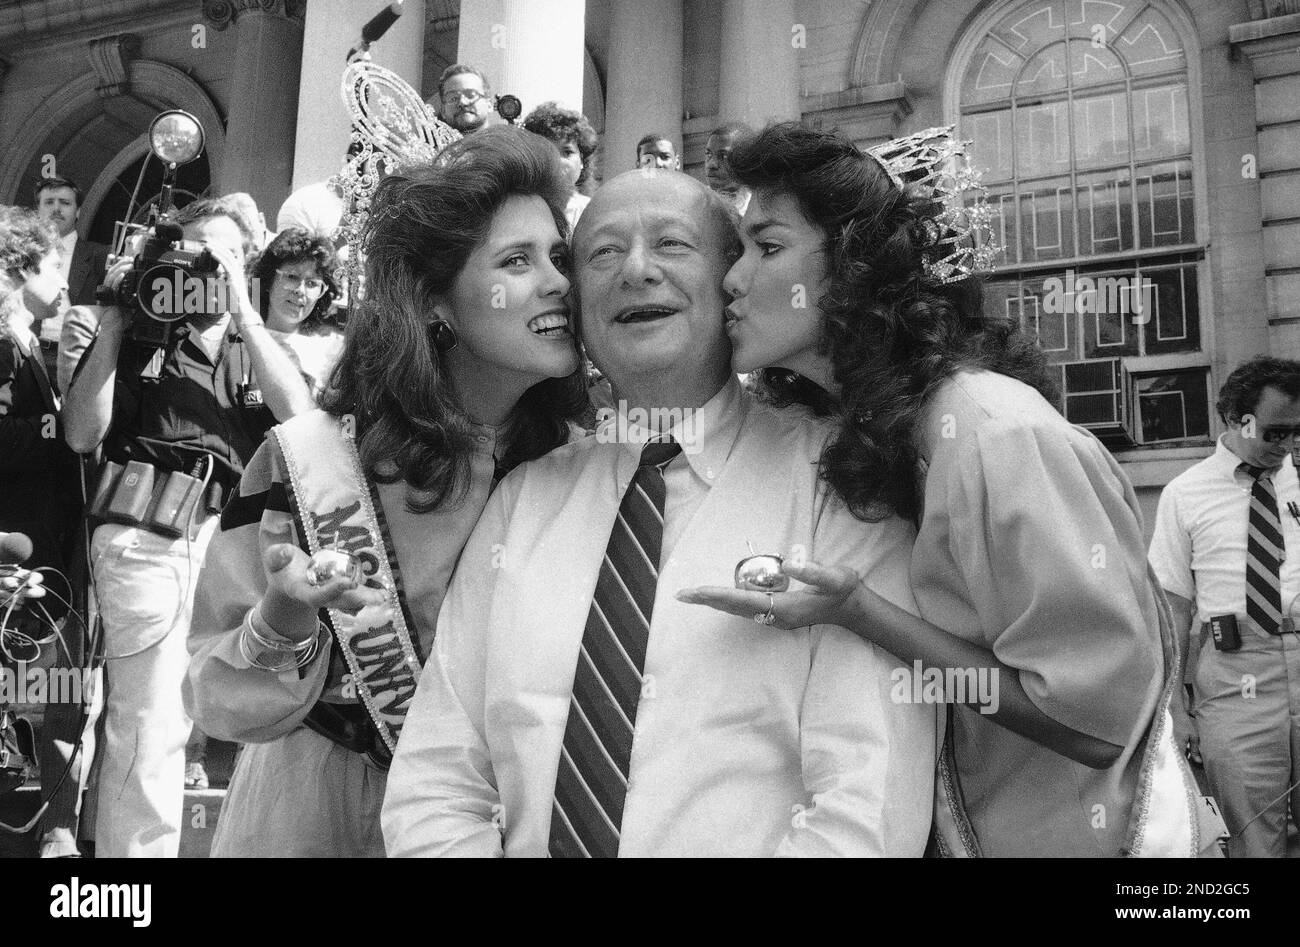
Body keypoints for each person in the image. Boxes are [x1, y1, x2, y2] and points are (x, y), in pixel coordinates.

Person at [677, 121, 1198, 857]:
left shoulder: (995, 432)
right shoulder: (871, 430)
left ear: (859, 269)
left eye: (767, 247)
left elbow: (1094, 722)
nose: (731, 279)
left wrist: (859, 611)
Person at [381, 168, 935, 858]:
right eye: (603, 254)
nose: (636, 271)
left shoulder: (838, 481)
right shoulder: (523, 500)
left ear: (733, 282)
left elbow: (868, 800)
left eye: (672, 245)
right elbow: (437, 774)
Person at [185, 127, 588, 857]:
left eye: (559, 256)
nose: (559, 281)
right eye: (517, 261)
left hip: (501, 810)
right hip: (312, 805)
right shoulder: (308, 462)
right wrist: (282, 619)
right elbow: (214, 698)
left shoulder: (582, 467)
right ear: (437, 303)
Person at [61, 195, 313, 857]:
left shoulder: (256, 345)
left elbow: (304, 422)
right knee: (152, 721)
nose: (201, 263)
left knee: (252, 709)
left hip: (232, 549)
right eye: (191, 248)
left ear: (246, 261)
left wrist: (246, 310)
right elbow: (82, 432)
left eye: (221, 251)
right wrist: (117, 315)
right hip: (148, 536)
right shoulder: (141, 334)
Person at [1149, 357, 1300, 858]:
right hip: (1235, 681)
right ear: (1236, 419)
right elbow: (1171, 611)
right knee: (1254, 835)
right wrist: (1176, 709)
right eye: (1276, 433)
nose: (1288, 446)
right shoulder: (1184, 495)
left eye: (1297, 433)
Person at [0, 205, 86, 858]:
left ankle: (54, 835)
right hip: (11, 553)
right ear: (21, 263)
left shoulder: (27, 339)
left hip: (43, 555)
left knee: (51, 697)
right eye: (56, 259)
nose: (65, 274)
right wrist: (66, 431)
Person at [249, 228, 343, 397]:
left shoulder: (331, 351)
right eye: (292, 277)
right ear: (269, 279)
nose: (301, 291)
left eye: (312, 284)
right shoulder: (244, 339)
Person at [33, 177, 109, 383]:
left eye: (65, 203)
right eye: (49, 202)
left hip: (78, 360)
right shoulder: (24, 254)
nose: (56, 209)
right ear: (38, 210)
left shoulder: (100, 256)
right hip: (31, 354)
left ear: (78, 212)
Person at [523, 101, 598, 231]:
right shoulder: (522, 208)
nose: (559, 161)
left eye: (567, 152)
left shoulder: (594, 210)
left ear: (582, 160)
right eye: (547, 152)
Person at [704, 122, 752, 216]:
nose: (711, 164)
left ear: (745, 160)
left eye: (723, 156)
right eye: (708, 154)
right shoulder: (697, 203)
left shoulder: (755, 207)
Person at [434, 64, 494, 136]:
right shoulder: (432, 147)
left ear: (489, 104)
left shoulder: (507, 144)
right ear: (443, 111)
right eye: (453, 98)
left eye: (471, 95)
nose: (462, 102)